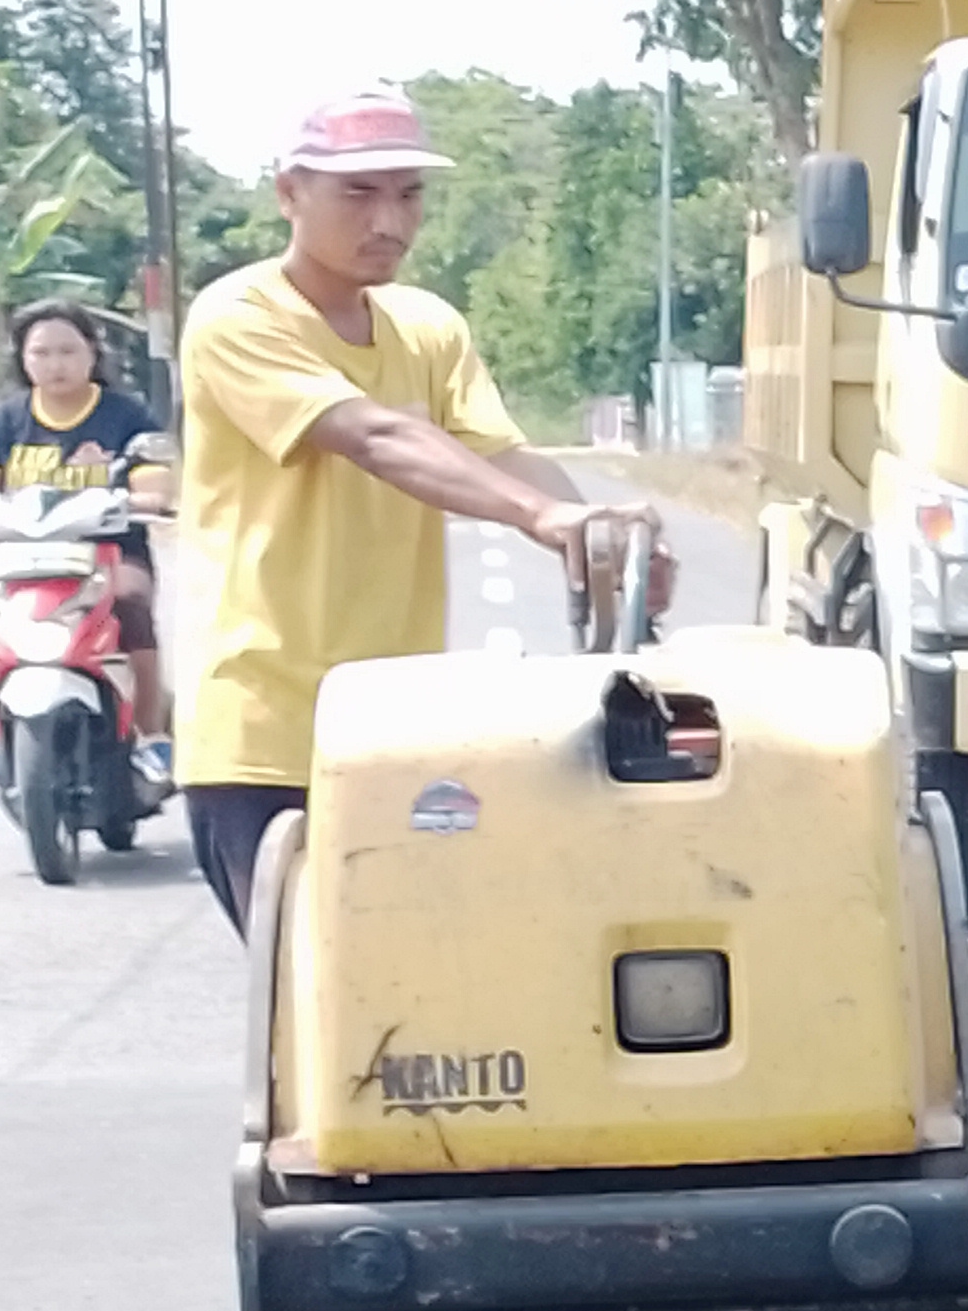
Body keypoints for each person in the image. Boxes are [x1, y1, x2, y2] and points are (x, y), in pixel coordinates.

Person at [172, 86, 661, 932]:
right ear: (289, 193)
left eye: (409, 193)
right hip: (264, 729)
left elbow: (502, 452)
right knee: (309, 1007)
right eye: (357, 193)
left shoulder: (426, 326)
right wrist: (534, 519)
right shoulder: (239, 316)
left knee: (415, 993)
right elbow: (371, 435)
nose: (389, 220)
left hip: (398, 725)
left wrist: (599, 541)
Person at [0, 300, 175, 785]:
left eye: (67, 351)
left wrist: (149, 494)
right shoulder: (6, 417)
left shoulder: (124, 414)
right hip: (20, 554)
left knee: (132, 604)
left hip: (109, 549)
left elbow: (153, 476)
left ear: (92, 354)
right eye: (42, 353)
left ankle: (152, 736)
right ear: (23, 359)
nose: (55, 364)